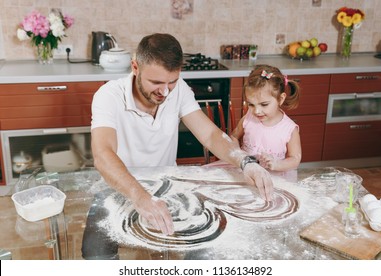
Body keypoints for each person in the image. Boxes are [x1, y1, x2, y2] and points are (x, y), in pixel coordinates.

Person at [90, 33, 274, 236]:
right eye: (156, 82)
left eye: (172, 82)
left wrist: (245, 162)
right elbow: (103, 154)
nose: (165, 91)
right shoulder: (108, 96)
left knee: (196, 248)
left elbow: (210, 135)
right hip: (120, 187)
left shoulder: (180, 91)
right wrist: (140, 197)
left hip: (166, 186)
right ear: (135, 68)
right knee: (96, 253)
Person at [231, 64, 302, 172]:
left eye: (264, 104)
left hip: (274, 178)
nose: (256, 111)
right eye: (251, 104)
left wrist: (277, 164)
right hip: (246, 173)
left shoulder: (289, 129)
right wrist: (239, 155)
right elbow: (234, 136)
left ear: (281, 99)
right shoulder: (249, 117)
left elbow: (295, 159)